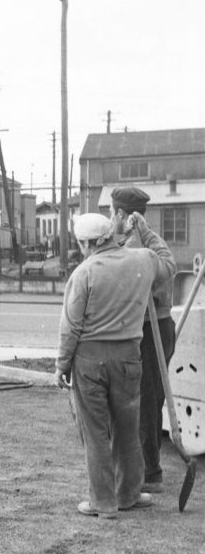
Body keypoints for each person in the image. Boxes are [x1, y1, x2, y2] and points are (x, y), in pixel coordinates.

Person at [55, 213, 173, 518]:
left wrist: (62, 365)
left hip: (89, 360)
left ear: (89, 243)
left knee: (96, 433)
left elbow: (71, 327)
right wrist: (146, 232)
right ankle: (129, 495)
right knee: (127, 428)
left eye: (82, 244)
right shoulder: (142, 260)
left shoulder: (84, 274)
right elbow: (168, 263)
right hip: (129, 357)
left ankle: (103, 503)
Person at [110, 185, 178, 491]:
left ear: (123, 214)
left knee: (148, 401)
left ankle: (150, 473)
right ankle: (144, 467)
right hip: (152, 328)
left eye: (112, 213)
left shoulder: (139, 245)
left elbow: (165, 268)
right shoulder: (145, 240)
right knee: (147, 399)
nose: (110, 218)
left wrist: (141, 238)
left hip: (152, 329)